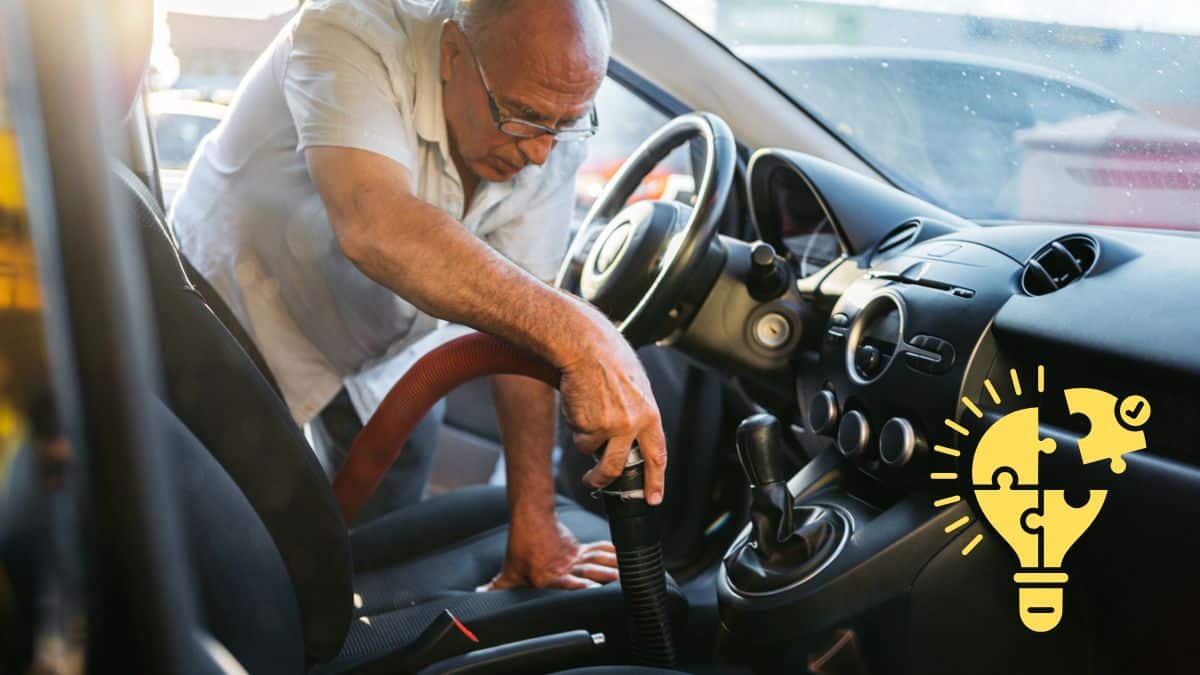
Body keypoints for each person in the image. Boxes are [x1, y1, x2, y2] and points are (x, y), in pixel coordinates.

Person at [169, 0, 668, 591]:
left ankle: (349, 611)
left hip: (379, 351)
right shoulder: (346, 31)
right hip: (238, 317)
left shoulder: (550, 126)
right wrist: (586, 337)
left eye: (565, 124)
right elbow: (374, 222)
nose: (541, 153)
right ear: (453, 53)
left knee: (380, 515)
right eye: (522, 117)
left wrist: (533, 521)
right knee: (239, 539)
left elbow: (526, 329)